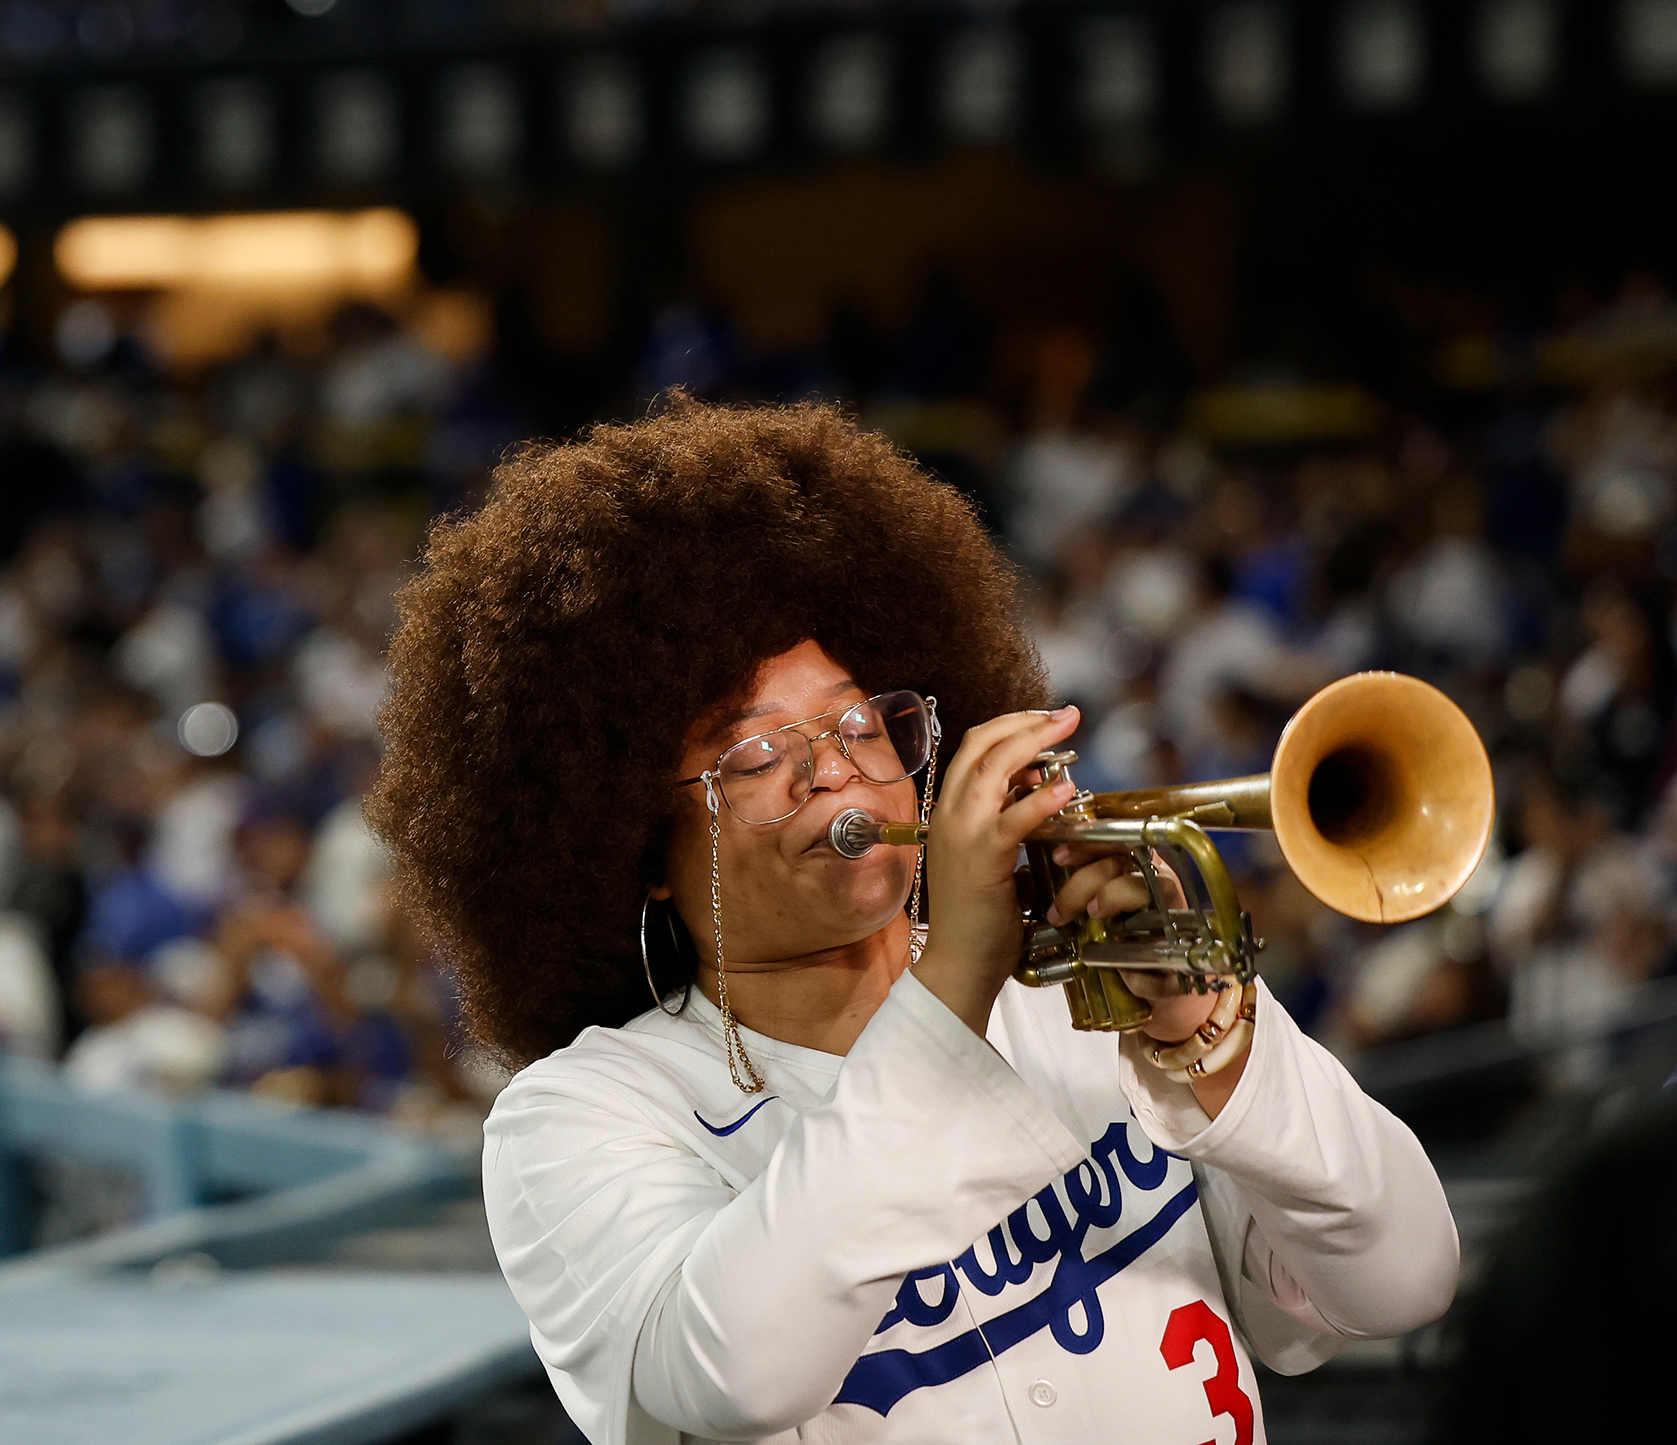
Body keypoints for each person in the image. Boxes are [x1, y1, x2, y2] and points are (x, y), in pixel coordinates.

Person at [367, 399, 1457, 1445]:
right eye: (753, 749)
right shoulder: (580, 1115)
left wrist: (1211, 1032)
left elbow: (1406, 1274)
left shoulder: (1106, 990)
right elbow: (739, 1368)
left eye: (858, 718)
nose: (831, 761)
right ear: (630, 847)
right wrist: (957, 981)